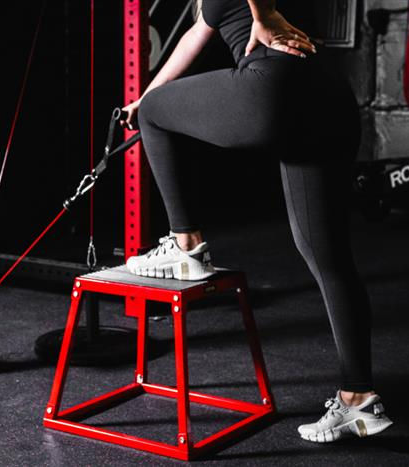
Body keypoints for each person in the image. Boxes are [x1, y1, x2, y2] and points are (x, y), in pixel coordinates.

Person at [121, 0, 393, 443]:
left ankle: (185, 244)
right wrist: (145, 95)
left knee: (155, 112)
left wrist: (262, 15)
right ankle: (358, 399)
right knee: (329, 257)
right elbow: (196, 35)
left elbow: (202, 37)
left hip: (275, 85)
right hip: (327, 95)